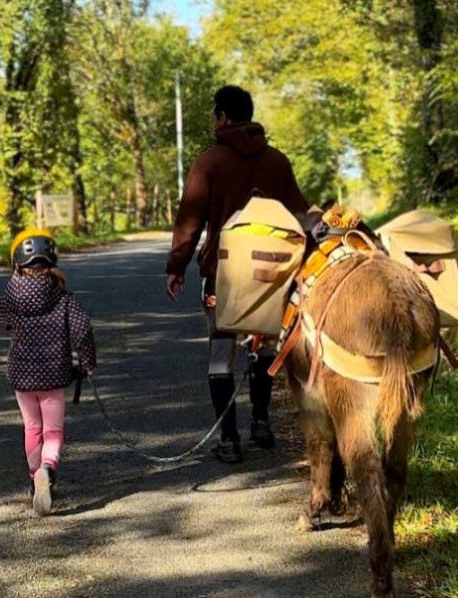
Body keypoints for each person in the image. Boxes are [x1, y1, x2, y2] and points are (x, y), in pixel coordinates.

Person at [166, 85, 309, 464]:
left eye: (214, 115)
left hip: (222, 276)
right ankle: (261, 423)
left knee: (220, 351)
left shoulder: (209, 162)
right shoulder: (278, 162)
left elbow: (190, 221)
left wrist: (177, 267)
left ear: (223, 118)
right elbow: (300, 217)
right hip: (270, 273)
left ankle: (228, 439)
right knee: (262, 344)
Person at [0, 229, 97, 516]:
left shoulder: (12, 294)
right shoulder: (63, 297)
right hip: (53, 376)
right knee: (53, 430)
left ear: (17, 265)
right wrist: (88, 362)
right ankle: (48, 468)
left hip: (22, 377)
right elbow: (82, 330)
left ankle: (33, 474)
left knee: (32, 428)